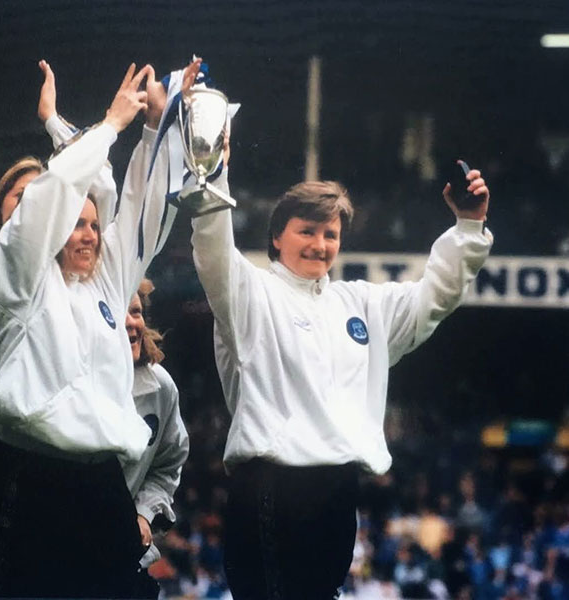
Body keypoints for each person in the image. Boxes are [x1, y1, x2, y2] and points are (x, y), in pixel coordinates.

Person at [188, 162, 493, 598]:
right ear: (277, 237)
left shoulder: (360, 303)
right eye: (307, 231)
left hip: (337, 492)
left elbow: (436, 297)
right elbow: (213, 250)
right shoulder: (249, 295)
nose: (319, 244)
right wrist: (210, 168)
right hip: (271, 491)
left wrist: (468, 226)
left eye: (330, 235)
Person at [0, 60, 188, 598]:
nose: (88, 236)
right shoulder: (15, 279)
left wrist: (157, 128)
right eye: (74, 225)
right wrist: (109, 127)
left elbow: (142, 212)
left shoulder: (104, 285)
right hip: (34, 477)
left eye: (91, 225)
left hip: (105, 484)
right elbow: (45, 198)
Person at [0, 62, 128, 596]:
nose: (38, 210)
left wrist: (58, 123)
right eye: (21, 199)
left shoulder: (72, 289)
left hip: (45, 453)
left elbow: (94, 195)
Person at [123, 278, 190, 598]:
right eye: (117, 312)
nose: (130, 322)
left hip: (123, 558)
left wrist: (144, 513)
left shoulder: (161, 387)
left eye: (135, 312)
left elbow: (168, 464)